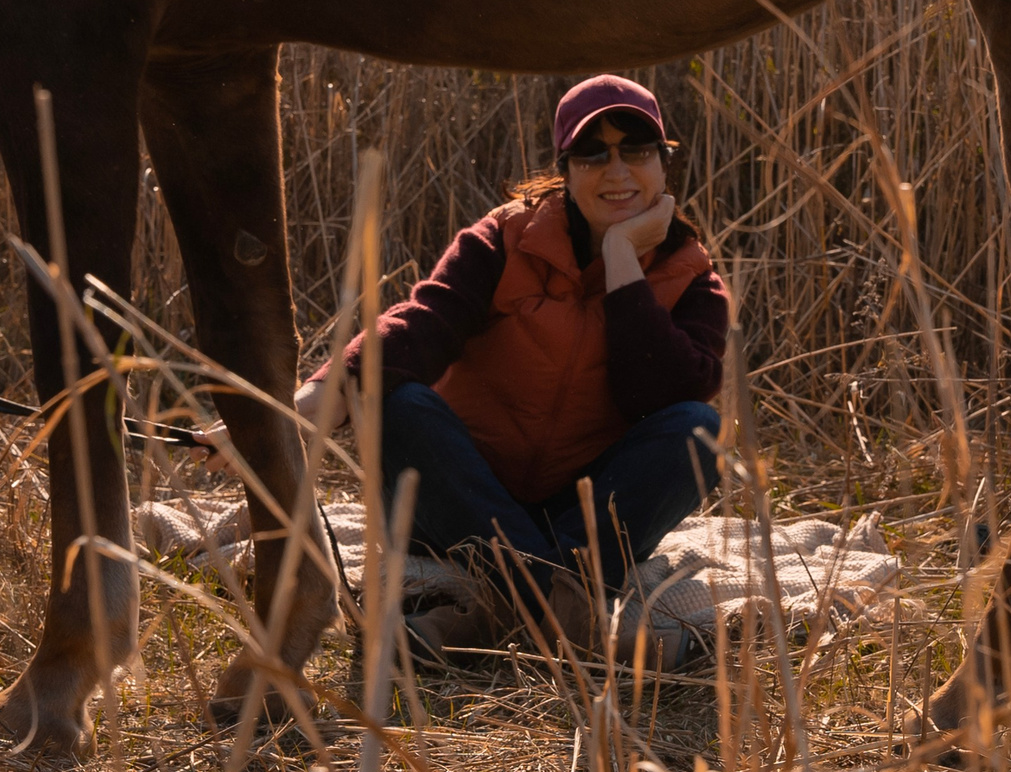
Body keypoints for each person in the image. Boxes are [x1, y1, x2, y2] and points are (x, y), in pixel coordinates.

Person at [296, 75, 728, 666]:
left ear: (663, 163)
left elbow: (657, 394)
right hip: (465, 503)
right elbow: (427, 319)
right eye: (593, 154)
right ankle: (568, 619)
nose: (618, 170)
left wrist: (623, 260)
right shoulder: (504, 237)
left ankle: (499, 613)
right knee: (399, 406)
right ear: (566, 169)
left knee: (699, 427)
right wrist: (310, 399)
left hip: (584, 521)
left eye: (637, 150)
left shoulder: (692, 277)